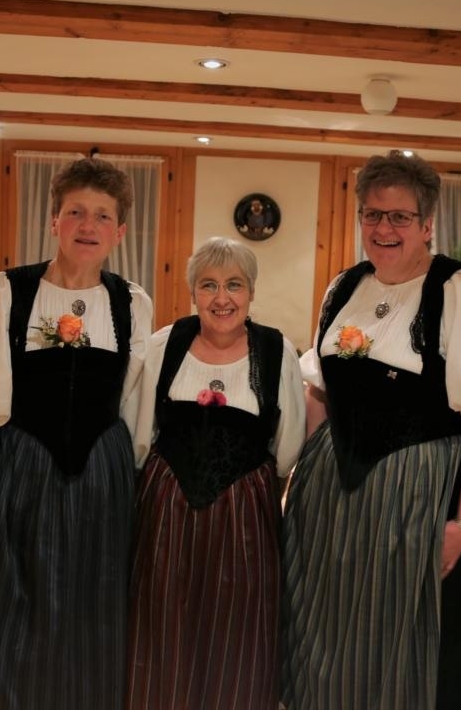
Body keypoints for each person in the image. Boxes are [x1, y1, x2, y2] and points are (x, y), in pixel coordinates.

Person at [280, 151, 461, 709]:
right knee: (329, 626)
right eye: (372, 214)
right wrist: (299, 476)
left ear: (427, 224)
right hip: (333, 492)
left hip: (416, 498)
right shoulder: (344, 287)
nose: (384, 228)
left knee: (399, 641)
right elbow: (319, 391)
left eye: (399, 216)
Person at [0, 158, 154, 709]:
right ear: (54, 220)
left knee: (95, 621)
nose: (88, 225)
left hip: (102, 482)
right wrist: (11, 488)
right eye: (76, 211)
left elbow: (132, 407)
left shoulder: (132, 303)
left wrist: (120, 486)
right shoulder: (6, 292)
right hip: (17, 473)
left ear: (120, 232)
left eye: (102, 215)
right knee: (20, 621)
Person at [128, 236, 305, 710]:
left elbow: (288, 441)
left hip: (245, 512)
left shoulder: (276, 351)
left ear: (251, 292)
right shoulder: (164, 344)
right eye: (208, 285)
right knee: (164, 617)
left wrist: (260, 487)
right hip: (168, 505)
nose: (221, 298)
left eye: (234, 285)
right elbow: (140, 429)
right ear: (192, 292)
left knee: (238, 627)